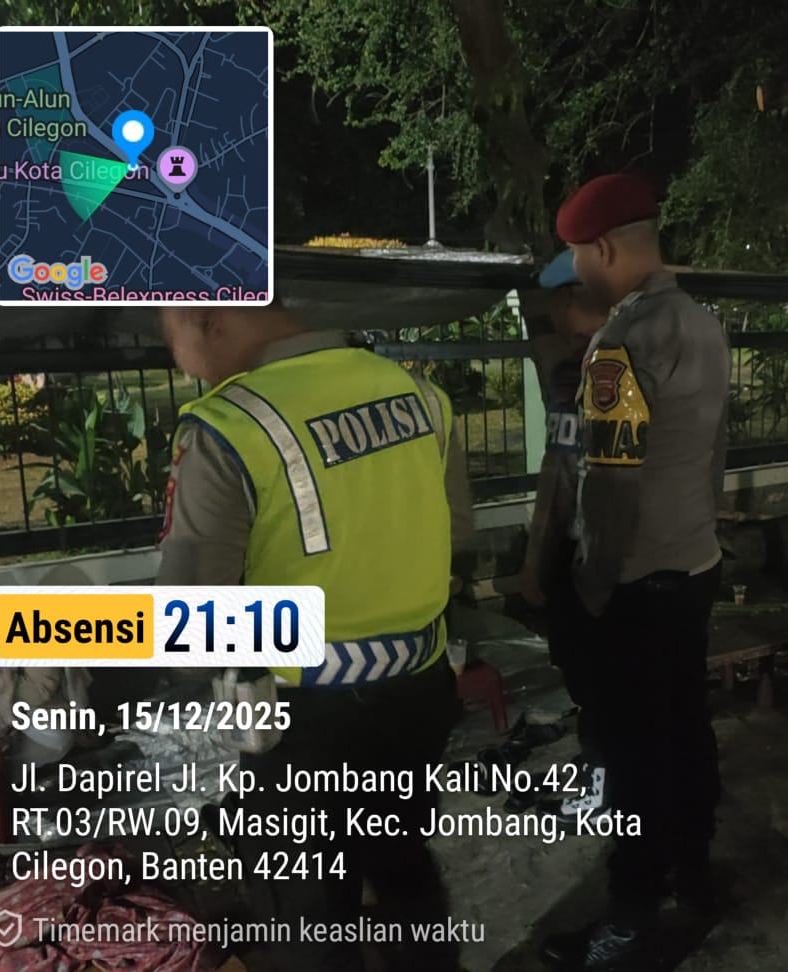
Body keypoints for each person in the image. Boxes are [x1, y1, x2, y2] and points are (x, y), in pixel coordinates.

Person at [156, 300, 461, 972]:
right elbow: (455, 531)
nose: (175, 358)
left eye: (168, 332)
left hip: (304, 723)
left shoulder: (229, 425)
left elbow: (194, 622)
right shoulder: (419, 395)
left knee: (308, 907)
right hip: (420, 693)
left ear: (209, 321)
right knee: (402, 862)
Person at [540, 174, 731, 971]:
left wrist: (594, 584)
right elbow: (714, 453)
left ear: (603, 248)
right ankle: (695, 874)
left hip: (637, 584)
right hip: (693, 563)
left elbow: (611, 482)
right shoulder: (703, 323)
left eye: (580, 257)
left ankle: (633, 913)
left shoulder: (622, 344)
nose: (578, 273)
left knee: (632, 754)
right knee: (684, 730)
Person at [518, 250, 613, 828]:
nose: (549, 327)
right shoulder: (566, 378)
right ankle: (599, 765)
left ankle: (606, 787)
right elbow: (557, 473)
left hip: (609, 560)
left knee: (607, 685)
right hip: (573, 556)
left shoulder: (622, 371)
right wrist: (539, 557)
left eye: (554, 312)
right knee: (583, 675)